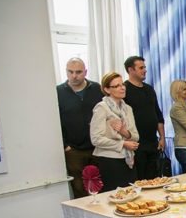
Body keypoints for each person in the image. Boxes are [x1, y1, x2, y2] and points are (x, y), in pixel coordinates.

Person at [56, 58, 104, 198]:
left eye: (78, 72)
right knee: (79, 187)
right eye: (70, 72)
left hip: (97, 146)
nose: (74, 76)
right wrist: (65, 145)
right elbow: (54, 120)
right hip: (73, 150)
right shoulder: (58, 92)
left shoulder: (96, 89)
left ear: (85, 72)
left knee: (101, 184)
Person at [90, 72, 139, 191]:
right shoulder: (102, 107)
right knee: (115, 196)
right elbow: (96, 139)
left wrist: (123, 131)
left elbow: (136, 137)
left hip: (129, 159)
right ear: (107, 89)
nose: (122, 88)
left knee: (132, 193)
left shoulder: (128, 108)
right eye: (117, 86)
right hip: (109, 160)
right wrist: (123, 143)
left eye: (122, 84)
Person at [123, 56, 165, 180]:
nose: (145, 70)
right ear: (131, 70)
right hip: (136, 144)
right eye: (141, 68)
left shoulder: (149, 89)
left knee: (155, 179)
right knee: (140, 180)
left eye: (145, 67)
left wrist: (162, 137)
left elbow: (158, 115)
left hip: (153, 143)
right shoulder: (124, 90)